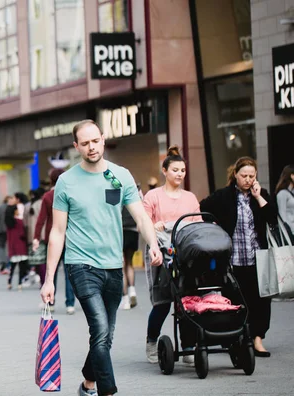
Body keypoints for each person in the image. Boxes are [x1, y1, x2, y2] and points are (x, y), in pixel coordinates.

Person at [40, 120, 162, 396]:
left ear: (103, 140)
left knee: (104, 335)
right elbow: (57, 232)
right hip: (81, 265)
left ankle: (87, 385)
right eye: (84, 143)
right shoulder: (66, 181)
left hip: (113, 266)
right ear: (76, 147)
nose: (91, 147)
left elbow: (140, 216)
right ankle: (108, 391)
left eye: (95, 141)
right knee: (100, 327)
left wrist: (153, 244)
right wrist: (49, 280)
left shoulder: (120, 176)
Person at [200, 157, 277, 357]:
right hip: (233, 259)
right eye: (244, 175)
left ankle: (258, 339)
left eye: (252, 176)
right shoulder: (224, 196)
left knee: (261, 299)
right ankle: (239, 338)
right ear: (235, 175)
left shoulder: (261, 195)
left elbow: (272, 218)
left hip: (257, 257)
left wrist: (259, 197)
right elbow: (202, 208)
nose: (248, 180)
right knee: (237, 299)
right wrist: (215, 228)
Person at [142, 146, 201, 364]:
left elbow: (198, 226)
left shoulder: (190, 198)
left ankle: (187, 346)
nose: (179, 174)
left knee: (186, 301)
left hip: (185, 256)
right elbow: (144, 222)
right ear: (164, 171)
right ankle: (151, 342)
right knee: (163, 302)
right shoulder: (153, 196)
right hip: (160, 254)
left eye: (183, 170)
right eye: (175, 170)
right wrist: (154, 229)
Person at [33, 168, 76, 314]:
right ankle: (70, 303)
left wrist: (36, 237)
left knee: (52, 271)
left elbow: (41, 219)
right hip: (69, 237)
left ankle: (50, 302)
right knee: (69, 272)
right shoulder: (69, 194)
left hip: (52, 238)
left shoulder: (48, 196)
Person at [5, 194, 29, 290]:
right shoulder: (19, 222)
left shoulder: (9, 223)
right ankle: (19, 283)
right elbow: (23, 234)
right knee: (22, 267)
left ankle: (9, 282)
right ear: (15, 211)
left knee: (13, 266)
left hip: (13, 247)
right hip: (21, 246)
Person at [275, 164, 294, 239]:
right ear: (292, 176)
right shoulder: (282, 193)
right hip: (290, 233)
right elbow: (282, 215)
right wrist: (288, 233)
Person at [0, 196, 11, 274]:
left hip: (1, 230)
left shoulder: (0, 207)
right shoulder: (11, 207)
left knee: (1, 247)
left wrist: (0, 225)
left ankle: (2, 262)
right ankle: (8, 262)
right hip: (9, 229)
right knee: (9, 246)